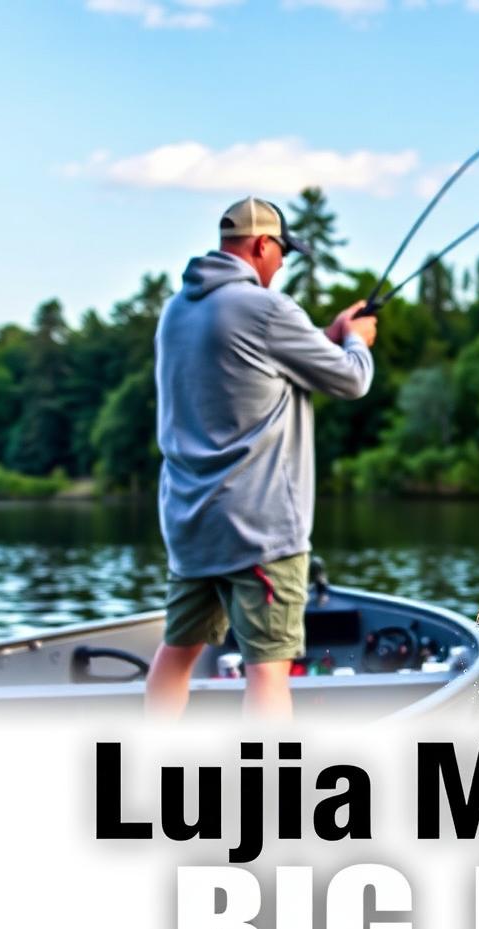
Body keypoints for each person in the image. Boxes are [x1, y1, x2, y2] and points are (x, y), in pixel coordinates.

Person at [146, 196, 377, 718]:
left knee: (178, 651)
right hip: (259, 531)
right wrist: (358, 342)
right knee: (268, 668)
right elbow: (351, 380)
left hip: (191, 524)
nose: (282, 264)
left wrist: (331, 335)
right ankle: (268, 788)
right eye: (282, 253)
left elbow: (260, 364)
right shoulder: (267, 308)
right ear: (261, 244)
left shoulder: (177, 311)